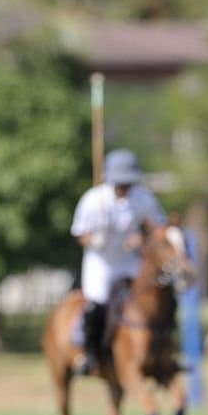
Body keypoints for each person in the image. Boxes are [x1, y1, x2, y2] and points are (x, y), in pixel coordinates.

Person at [69, 148, 167, 374]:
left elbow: (159, 228)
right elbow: (79, 234)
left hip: (129, 261)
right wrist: (95, 240)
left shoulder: (144, 198)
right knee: (97, 303)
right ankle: (89, 353)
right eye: (120, 184)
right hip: (101, 263)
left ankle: (162, 350)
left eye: (128, 184)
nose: (124, 188)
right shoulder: (93, 200)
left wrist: (142, 237)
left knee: (156, 295)